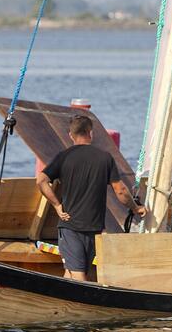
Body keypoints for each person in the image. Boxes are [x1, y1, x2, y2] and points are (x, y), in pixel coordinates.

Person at [36, 115, 147, 281]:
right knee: (75, 272)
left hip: (70, 224)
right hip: (93, 227)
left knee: (75, 272)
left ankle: (69, 299)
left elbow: (41, 181)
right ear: (90, 133)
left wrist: (57, 205)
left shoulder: (64, 156)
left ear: (71, 135)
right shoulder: (105, 158)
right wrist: (135, 208)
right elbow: (121, 191)